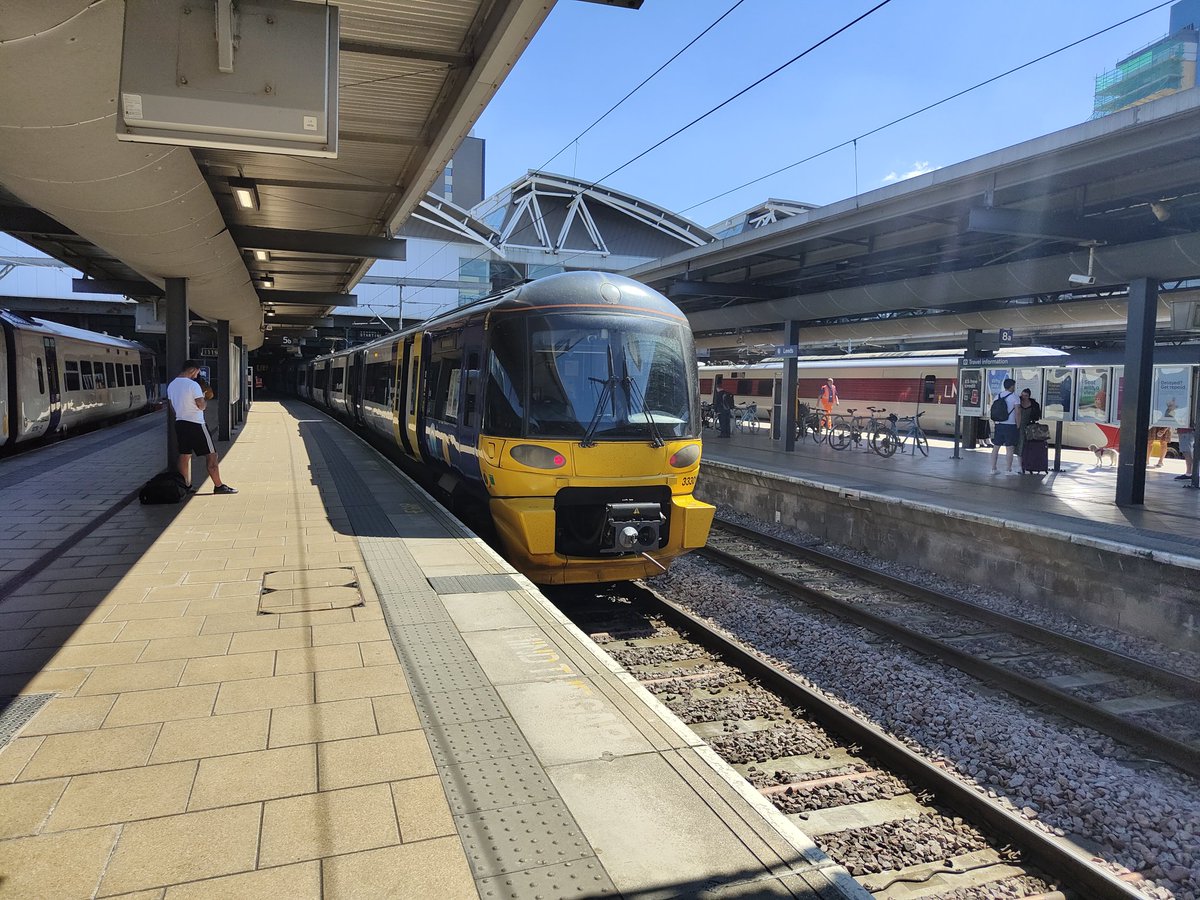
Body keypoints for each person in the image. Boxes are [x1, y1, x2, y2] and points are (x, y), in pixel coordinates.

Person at [167, 359, 237, 495]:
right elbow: (201, 405)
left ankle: (185, 486)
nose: (197, 375)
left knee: (184, 455)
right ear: (193, 370)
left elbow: (172, 407)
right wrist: (204, 399)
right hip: (196, 424)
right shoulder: (193, 385)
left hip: (180, 423)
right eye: (197, 372)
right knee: (212, 455)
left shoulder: (172, 385)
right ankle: (218, 486)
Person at [990, 378, 1020, 475]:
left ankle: (993, 469)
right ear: (1011, 386)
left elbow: (993, 410)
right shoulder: (1015, 397)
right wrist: (1018, 424)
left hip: (999, 424)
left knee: (996, 447)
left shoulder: (998, 396)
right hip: (1010, 425)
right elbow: (1018, 412)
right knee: (1009, 448)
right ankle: (1008, 469)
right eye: (1014, 386)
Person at [1015, 388, 1042, 455]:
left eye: (1026, 396)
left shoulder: (1034, 404)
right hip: (1019, 425)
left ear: (1029, 396)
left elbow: (1037, 416)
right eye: (1022, 395)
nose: (1023, 397)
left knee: (1028, 443)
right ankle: (1020, 456)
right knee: (1019, 442)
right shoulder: (1017, 402)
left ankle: (1026, 456)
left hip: (1029, 425)